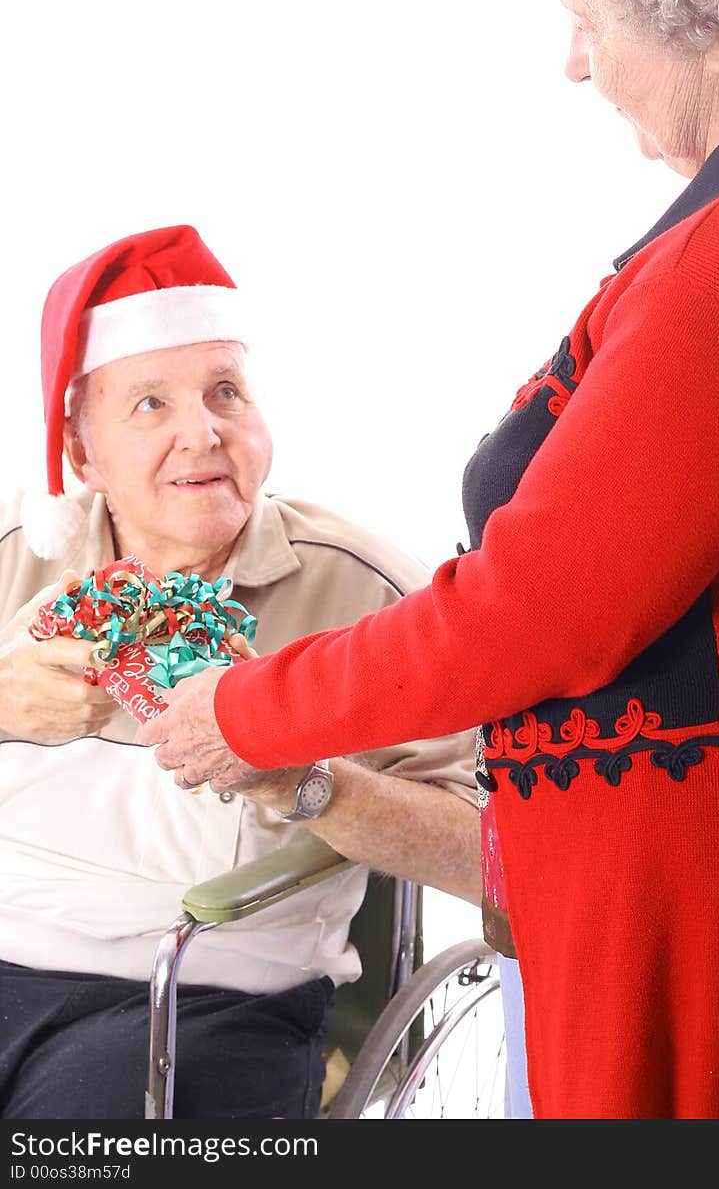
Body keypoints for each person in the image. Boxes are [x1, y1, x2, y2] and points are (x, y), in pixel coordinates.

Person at [141, 0, 719, 1119]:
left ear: (711, 12)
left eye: (591, 21)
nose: (575, 66)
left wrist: (248, 709)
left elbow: (542, 608)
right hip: (652, 892)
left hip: (703, 929)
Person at [0, 224, 480, 1120]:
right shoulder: (14, 559)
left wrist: (306, 782)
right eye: (150, 404)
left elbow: (492, 859)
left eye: (227, 392)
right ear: (80, 452)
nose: (203, 434)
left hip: (204, 995)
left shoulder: (371, 590)